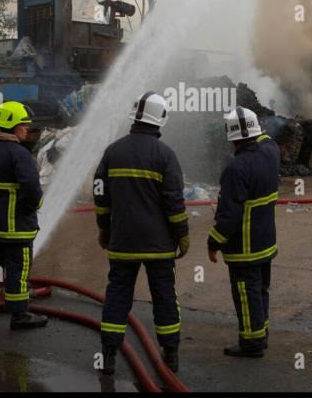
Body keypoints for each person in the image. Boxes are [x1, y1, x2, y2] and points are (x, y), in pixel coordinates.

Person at [93, 92, 190, 375]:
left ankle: (108, 358)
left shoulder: (112, 152)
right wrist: (182, 234)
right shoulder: (165, 155)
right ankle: (171, 355)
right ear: (160, 119)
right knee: (164, 296)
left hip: (122, 241)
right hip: (159, 245)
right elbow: (174, 202)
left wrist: (104, 228)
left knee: (117, 295)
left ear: (135, 117)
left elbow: (100, 195)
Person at [0, 101, 48, 330]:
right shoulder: (20, 154)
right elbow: (31, 186)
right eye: (24, 124)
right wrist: (35, 204)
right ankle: (19, 314)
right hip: (18, 227)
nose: (27, 128)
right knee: (18, 269)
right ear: (12, 126)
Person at [207, 106, 280, 358]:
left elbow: (229, 214)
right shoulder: (271, 152)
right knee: (260, 292)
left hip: (244, 248)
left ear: (231, 137)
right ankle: (261, 335)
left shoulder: (236, 168)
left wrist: (214, 242)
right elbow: (266, 138)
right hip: (266, 243)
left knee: (247, 295)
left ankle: (251, 344)